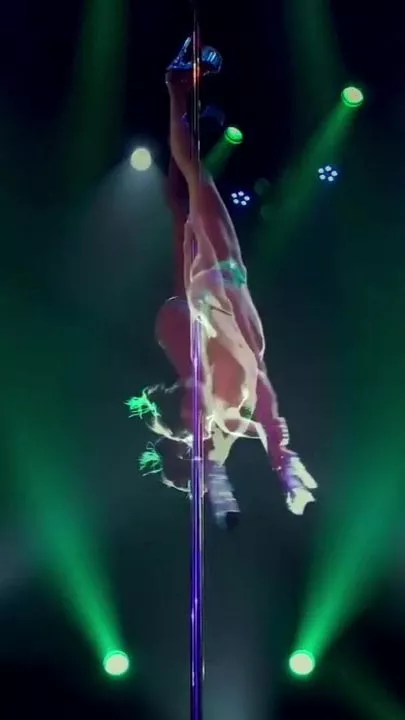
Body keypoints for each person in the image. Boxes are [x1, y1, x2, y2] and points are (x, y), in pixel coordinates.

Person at [128, 39, 317, 521]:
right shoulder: (231, 414)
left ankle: (175, 86)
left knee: (195, 178)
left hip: (216, 279)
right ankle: (189, 113)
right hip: (220, 282)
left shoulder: (216, 396)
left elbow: (255, 413)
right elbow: (261, 420)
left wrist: (268, 465)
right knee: (189, 188)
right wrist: (280, 464)